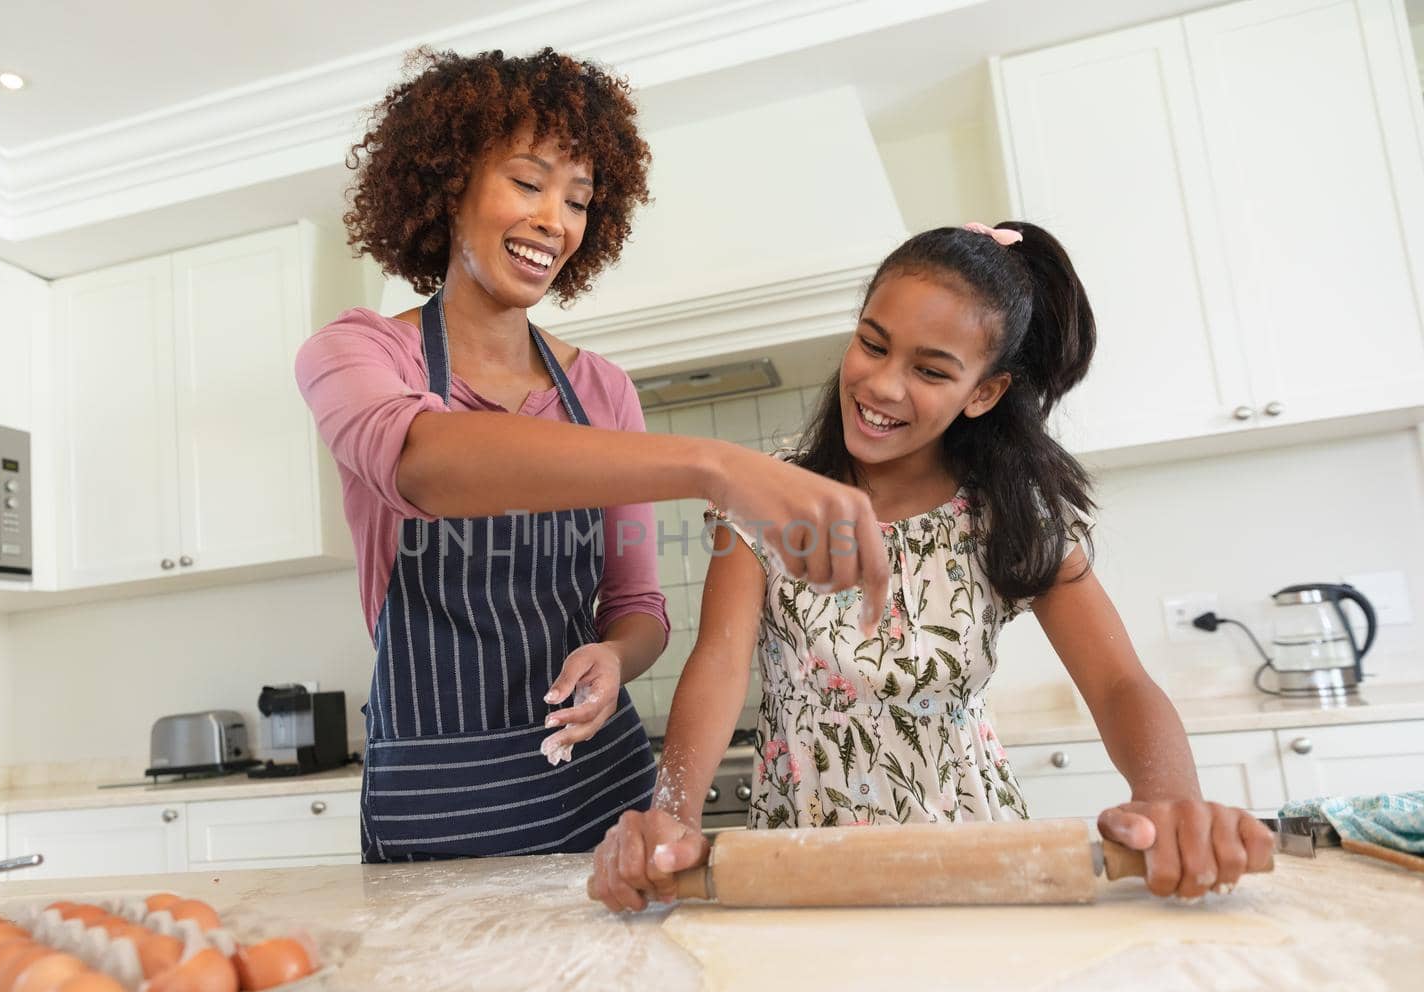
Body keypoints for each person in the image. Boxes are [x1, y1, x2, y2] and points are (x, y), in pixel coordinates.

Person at [295, 47, 889, 862]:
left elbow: (639, 604)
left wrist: (615, 654)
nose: (556, 221)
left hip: (599, 795)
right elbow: (426, 462)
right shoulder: (356, 354)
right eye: (528, 183)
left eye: (578, 199)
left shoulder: (603, 391)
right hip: (437, 804)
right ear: (449, 183)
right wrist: (714, 464)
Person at [588, 221, 1277, 905]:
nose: (883, 385)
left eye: (930, 369)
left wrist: (1171, 799)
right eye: (872, 343)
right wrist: (672, 814)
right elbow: (719, 660)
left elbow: (1120, 682)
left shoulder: (1010, 515)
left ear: (984, 391)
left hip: (979, 864)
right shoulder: (769, 500)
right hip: (801, 867)